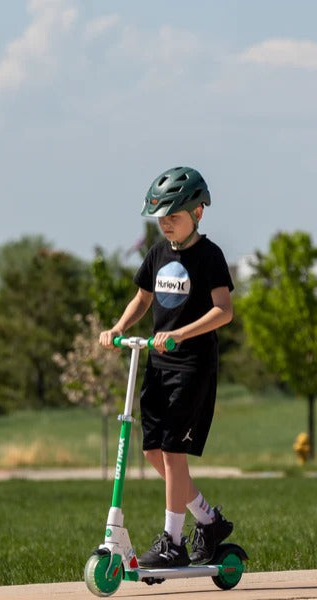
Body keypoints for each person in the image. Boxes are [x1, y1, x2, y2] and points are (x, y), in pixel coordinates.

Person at [99, 165, 235, 567]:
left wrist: (182, 334)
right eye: (160, 218)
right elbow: (142, 300)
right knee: (153, 452)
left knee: (174, 452)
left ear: (198, 213)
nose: (166, 225)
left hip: (191, 366)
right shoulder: (157, 254)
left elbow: (223, 311)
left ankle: (172, 542)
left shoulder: (209, 256)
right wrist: (118, 328)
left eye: (173, 217)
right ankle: (208, 520)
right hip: (157, 365)